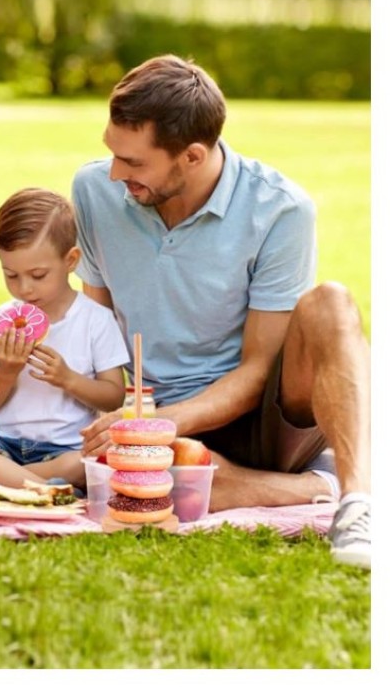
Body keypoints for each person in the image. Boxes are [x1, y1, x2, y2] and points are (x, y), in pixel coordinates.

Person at [73, 54, 371, 568]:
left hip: (259, 422)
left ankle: (359, 502)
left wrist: (163, 422)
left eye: (135, 163)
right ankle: (313, 487)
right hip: (157, 425)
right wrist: (117, 425)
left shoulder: (280, 209)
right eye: (112, 153)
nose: (116, 173)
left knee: (332, 302)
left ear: (191, 156)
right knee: (156, 482)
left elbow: (258, 372)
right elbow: (95, 332)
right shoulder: (95, 191)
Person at [0, 188, 127, 489]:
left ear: (71, 260)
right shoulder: (0, 323)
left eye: (38, 275)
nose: (24, 289)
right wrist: (6, 371)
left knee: (87, 462)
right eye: (11, 275)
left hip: (65, 449)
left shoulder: (95, 320)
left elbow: (114, 397)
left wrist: (68, 379)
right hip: (3, 443)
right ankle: (48, 490)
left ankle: (12, 484)